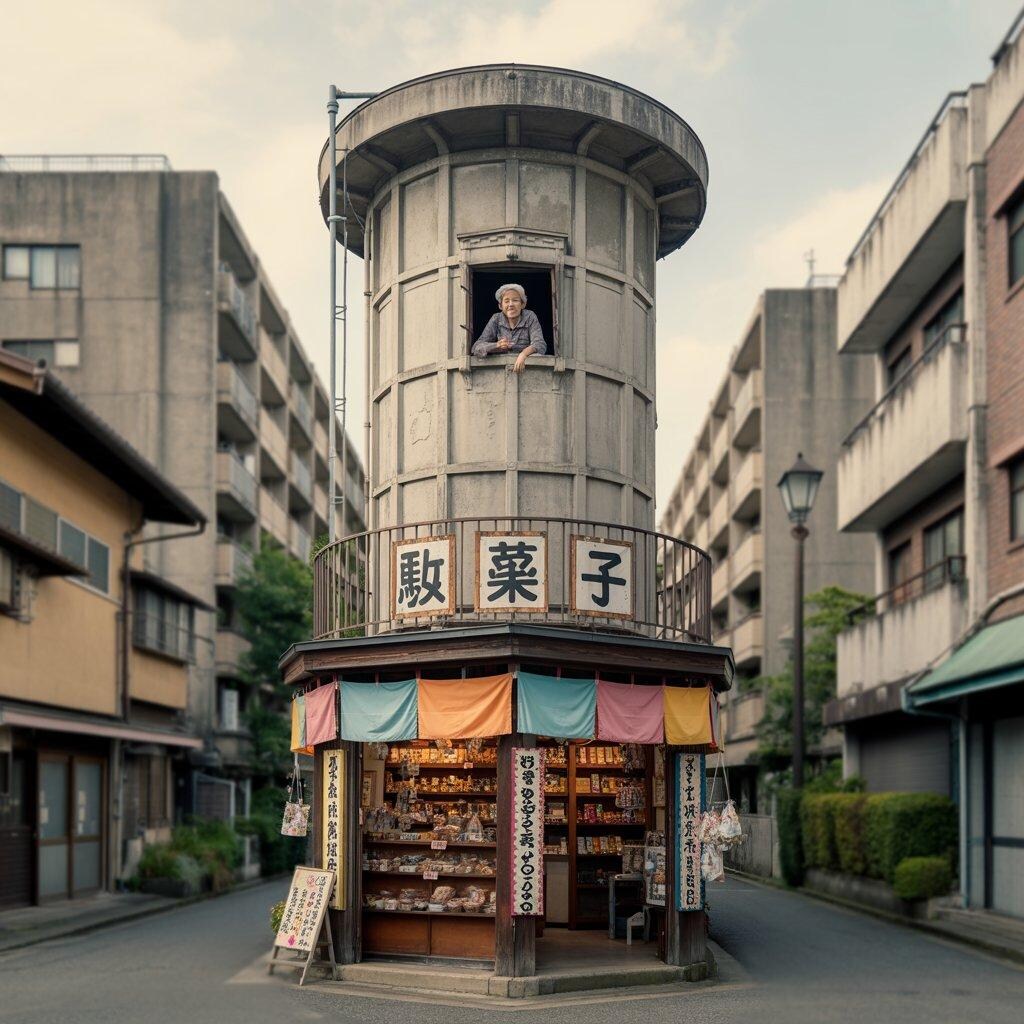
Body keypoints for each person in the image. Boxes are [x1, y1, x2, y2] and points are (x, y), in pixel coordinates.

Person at [471, 283, 547, 372]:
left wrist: (523, 354)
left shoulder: (530, 316)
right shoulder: (496, 319)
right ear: (500, 306)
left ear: (523, 304)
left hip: (526, 371)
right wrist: (496, 345)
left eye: (515, 300)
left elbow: (540, 344)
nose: (511, 304)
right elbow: (476, 348)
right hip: (499, 372)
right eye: (506, 301)